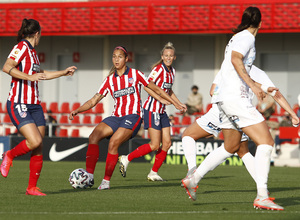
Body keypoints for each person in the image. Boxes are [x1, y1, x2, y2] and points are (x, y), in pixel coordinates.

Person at [182, 7, 298, 211]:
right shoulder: (247, 39)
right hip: (236, 99)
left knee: (232, 146)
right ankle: (262, 195)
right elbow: (237, 59)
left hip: (223, 102)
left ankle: (194, 178)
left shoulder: (237, 43)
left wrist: (290, 113)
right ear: (260, 24)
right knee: (266, 141)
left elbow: (271, 91)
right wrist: (253, 86)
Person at [69, 45, 184, 190]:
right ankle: (90, 176)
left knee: (113, 143)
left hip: (133, 116)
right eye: (114, 56)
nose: (116, 59)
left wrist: (172, 102)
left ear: (126, 59)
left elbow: (154, 87)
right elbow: (93, 101)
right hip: (116, 116)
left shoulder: (136, 74)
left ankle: (106, 182)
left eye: (120, 57)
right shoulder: (109, 80)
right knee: (93, 137)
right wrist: (77, 110)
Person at [181, 65, 299, 192]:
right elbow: (275, 94)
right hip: (239, 111)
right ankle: (262, 189)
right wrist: (292, 114)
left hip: (219, 109)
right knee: (249, 148)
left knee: (190, 135)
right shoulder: (257, 72)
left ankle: (192, 172)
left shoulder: (228, 65)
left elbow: (212, 91)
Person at [0, 18, 77, 196]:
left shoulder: (33, 53)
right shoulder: (21, 47)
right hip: (19, 103)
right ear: (37, 33)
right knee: (34, 141)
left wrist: (63, 72)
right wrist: (29, 77)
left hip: (35, 105)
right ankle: (9, 155)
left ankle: (32, 188)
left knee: (38, 145)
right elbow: (7, 67)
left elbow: (41, 74)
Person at [118, 42, 187, 181]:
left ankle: (153, 173)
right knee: (155, 144)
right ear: (162, 56)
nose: (168, 58)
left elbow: (169, 90)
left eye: (171, 56)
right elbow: (146, 86)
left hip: (162, 112)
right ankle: (127, 158)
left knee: (167, 143)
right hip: (152, 110)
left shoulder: (172, 71)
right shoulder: (158, 69)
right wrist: (160, 99)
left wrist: (179, 104)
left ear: (174, 58)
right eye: (166, 55)